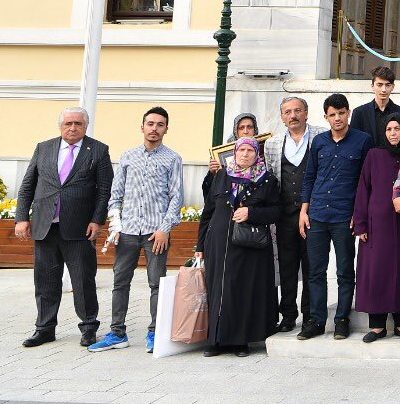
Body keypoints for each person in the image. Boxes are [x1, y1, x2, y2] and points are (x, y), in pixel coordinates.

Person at [15, 107, 112, 349]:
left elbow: (104, 190)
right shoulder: (44, 148)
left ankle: (89, 327)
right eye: (68, 123)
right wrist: (21, 218)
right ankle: (44, 329)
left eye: (78, 124)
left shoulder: (98, 150)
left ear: (85, 126)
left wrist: (98, 220)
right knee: (46, 281)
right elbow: (28, 185)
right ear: (60, 126)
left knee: (83, 281)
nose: (73, 128)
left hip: (80, 229)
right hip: (45, 226)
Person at [90, 106, 183, 354]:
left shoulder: (172, 159)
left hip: (156, 233)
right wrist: (116, 226)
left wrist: (165, 229)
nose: (154, 129)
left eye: (160, 124)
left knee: (156, 284)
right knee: (120, 283)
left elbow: (176, 197)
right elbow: (115, 195)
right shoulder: (128, 157)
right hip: (128, 231)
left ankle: (155, 333)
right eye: (150, 124)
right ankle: (117, 333)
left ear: (166, 129)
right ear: (142, 126)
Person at [194, 138, 279, 357]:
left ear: (256, 153)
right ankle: (216, 340)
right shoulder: (222, 175)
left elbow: (276, 212)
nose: (245, 154)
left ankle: (241, 341)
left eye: (250, 150)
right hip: (218, 244)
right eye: (241, 149)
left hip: (248, 245)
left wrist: (252, 213)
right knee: (218, 291)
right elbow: (208, 212)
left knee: (242, 290)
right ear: (234, 152)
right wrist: (200, 244)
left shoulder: (266, 179)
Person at [298, 93, 373, 340]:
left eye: (341, 113)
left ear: (348, 113)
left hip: (344, 216)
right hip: (317, 214)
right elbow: (309, 177)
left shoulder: (362, 141)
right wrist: (303, 211)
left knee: (344, 271)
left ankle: (342, 319)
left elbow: (366, 181)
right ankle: (317, 320)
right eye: (332, 114)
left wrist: (359, 214)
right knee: (316, 271)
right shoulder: (319, 142)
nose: (337, 118)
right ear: (326, 117)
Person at [353, 114, 400, 342]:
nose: (393, 133)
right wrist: (360, 223)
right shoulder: (373, 155)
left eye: (397, 129)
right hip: (376, 225)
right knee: (376, 272)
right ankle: (377, 325)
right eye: (389, 129)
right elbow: (363, 189)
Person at [264, 96, 323, 334]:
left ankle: (310, 315)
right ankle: (288, 314)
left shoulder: (321, 136)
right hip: (285, 214)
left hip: (313, 213)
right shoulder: (273, 144)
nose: (293, 115)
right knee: (287, 267)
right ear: (282, 117)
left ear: (306, 113)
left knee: (312, 266)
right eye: (287, 112)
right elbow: (269, 176)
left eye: (298, 111)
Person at [350, 66, 400, 149]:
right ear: (372, 86)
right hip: (367, 160)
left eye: (387, 85)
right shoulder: (359, 113)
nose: (384, 90)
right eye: (379, 85)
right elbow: (354, 143)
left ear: (393, 87)